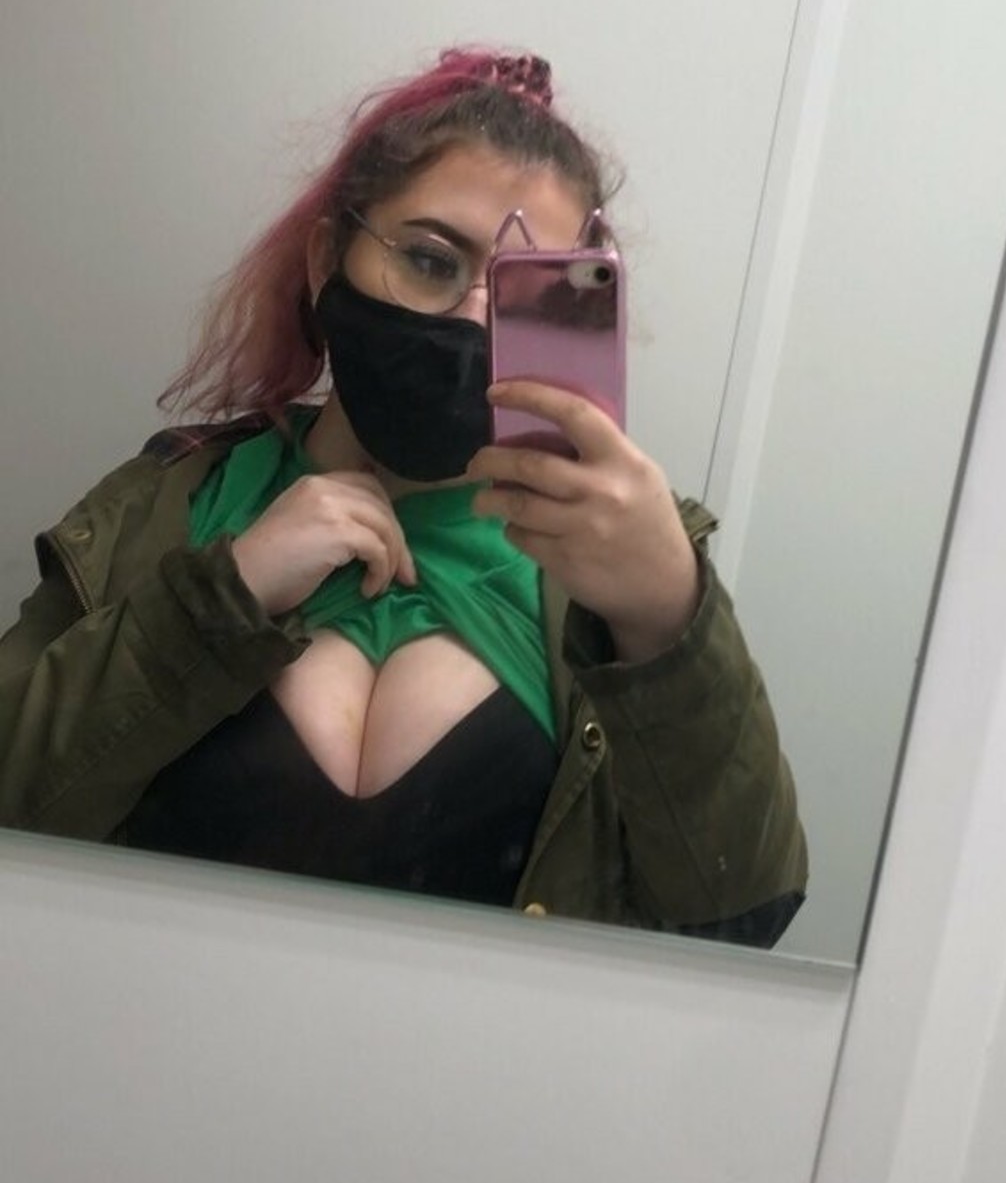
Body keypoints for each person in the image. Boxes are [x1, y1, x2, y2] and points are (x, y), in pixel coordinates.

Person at [0, 47, 806, 943]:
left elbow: (742, 917)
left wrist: (668, 620)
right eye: (429, 260)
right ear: (326, 261)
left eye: (525, 290)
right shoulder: (175, 505)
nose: (472, 317)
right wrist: (221, 599)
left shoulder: (608, 567)